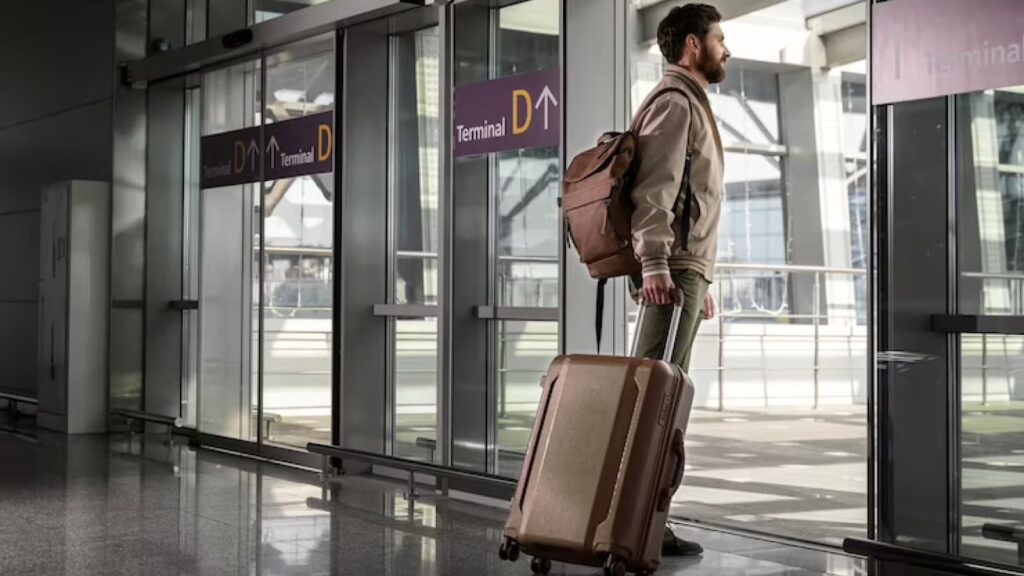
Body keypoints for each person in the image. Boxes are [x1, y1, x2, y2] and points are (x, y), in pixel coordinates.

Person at [628, 3, 729, 557]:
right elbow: (656, 190)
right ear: (693, 46)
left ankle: (643, 518)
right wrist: (658, 264)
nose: (725, 49)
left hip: (686, 271)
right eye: (718, 38)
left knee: (664, 394)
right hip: (673, 270)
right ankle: (636, 522)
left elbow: (692, 199)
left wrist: (701, 281)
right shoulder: (674, 103)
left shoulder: (690, 102)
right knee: (655, 398)